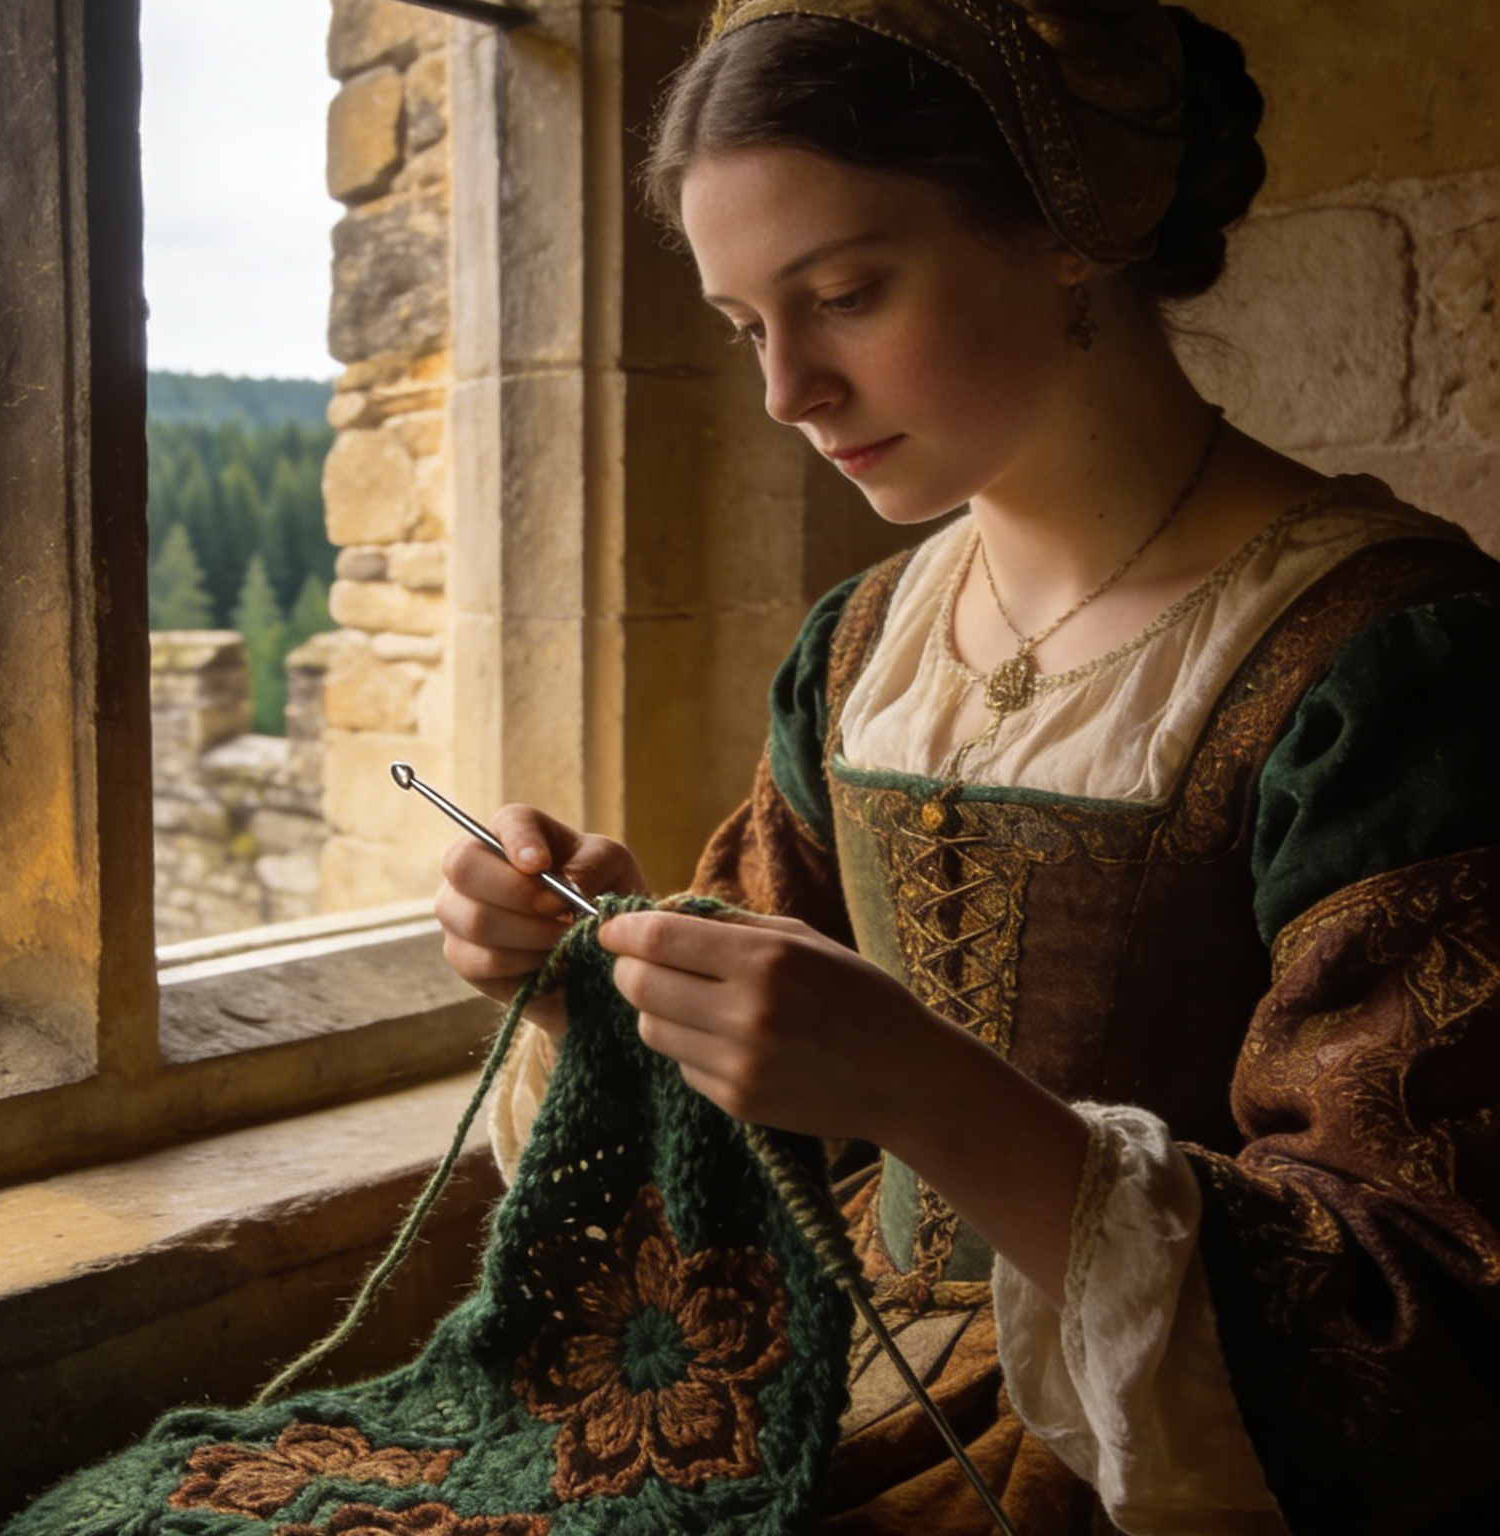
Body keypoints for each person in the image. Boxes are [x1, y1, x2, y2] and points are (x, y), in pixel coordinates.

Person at [432, 2, 1500, 1532]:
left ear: (1071, 227)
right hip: (821, 1376)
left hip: (1147, 1465)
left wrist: (939, 1097)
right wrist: (597, 969)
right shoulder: (866, 641)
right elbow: (753, 1107)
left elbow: (1424, 1337)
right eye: (745, 326)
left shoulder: (1393, 663)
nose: (784, 389)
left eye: (846, 294)